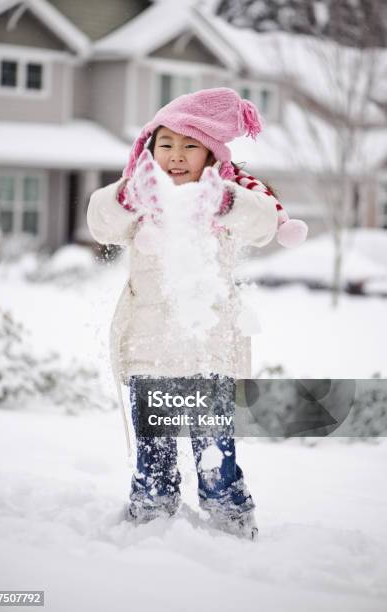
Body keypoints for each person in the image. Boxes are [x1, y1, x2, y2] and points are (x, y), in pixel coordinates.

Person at [87, 87, 308, 539]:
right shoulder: (142, 197)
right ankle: (151, 512)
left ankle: (229, 514)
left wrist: (223, 200)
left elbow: (264, 224)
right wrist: (128, 196)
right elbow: (100, 222)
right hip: (150, 347)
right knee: (155, 452)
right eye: (165, 144)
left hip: (209, 350)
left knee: (214, 451)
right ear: (151, 150)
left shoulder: (227, 199)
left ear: (211, 155)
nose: (176, 155)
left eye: (191, 145)